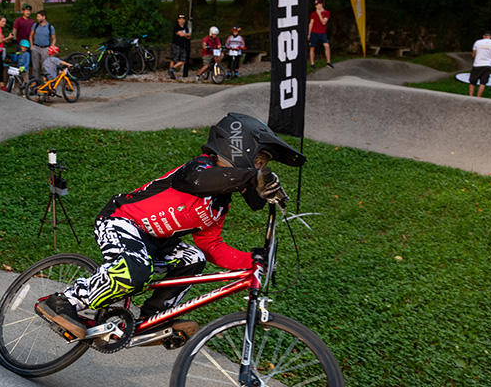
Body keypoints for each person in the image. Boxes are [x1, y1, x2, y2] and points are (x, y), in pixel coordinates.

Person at [36, 112, 301, 340]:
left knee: (194, 258)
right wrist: (252, 176)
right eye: (259, 161)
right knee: (134, 270)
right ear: (238, 147)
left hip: (156, 240)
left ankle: (152, 319)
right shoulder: (199, 168)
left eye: (262, 166)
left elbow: (211, 246)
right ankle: (64, 301)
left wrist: (252, 261)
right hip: (121, 220)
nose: (260, 168)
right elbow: (195, 181)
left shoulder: (220, 204)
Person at [469, 30, 491, 98]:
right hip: (488, 64)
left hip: (478, 64)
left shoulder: (477, 42)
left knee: (472, 81)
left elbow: (473, 55)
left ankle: (470, 97)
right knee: (483, 82)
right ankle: (479, 97)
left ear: (483, 36)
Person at [28, 10, 56, 81]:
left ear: (44, 17)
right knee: (35, 67)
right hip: (36, 47)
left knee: (45, 67)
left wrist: (51, 48)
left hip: (45, 48)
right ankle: (35, 82)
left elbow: (54, 39)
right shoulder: (35, 25)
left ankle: (44, 82)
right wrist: (31, 46)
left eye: (39, 16)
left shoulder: (50, 27)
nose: (37, 18)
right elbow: (31, 35)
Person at [308, 0, 332, 68]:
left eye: (317, 4)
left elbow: (324, 22)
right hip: (314, 32)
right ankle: (312, 63)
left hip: (322, 33)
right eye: (315, 5)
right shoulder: (313, 14)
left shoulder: (326, 13)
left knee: (326, 46)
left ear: (321, 4)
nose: (316, 6)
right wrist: (309, 33)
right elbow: (311, 23)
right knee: (312, 48)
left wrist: (319, 14)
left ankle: (328, 62)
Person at [166, 14, 191, 80]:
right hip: (176, 45)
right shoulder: (177, 27)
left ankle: (172, 69)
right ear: (178, 20)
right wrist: (185, 34)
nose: (182, 21)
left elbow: (188, 36)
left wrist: (184, 35)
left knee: (183, 60)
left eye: (183, 19)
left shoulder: (185, 28)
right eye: (180, 19)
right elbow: (181, 34)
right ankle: (171, 73)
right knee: (174, 58)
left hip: (182, 45)